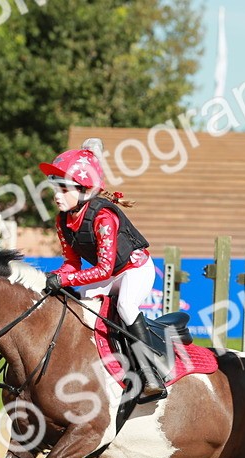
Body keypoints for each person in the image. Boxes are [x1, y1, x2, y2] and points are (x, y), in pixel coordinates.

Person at [39, 138, 167, 400]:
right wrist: (58, 278)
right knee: (78, 304)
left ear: (85, 189)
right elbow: (72, 262)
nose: (56, 195)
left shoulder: (102, 217)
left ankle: (150, 372)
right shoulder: (63, 220)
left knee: (126, 307)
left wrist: (65, 280)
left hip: (135, 269)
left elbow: (104, 270)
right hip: (110, 272)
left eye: (64, 189)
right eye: (56, 188)